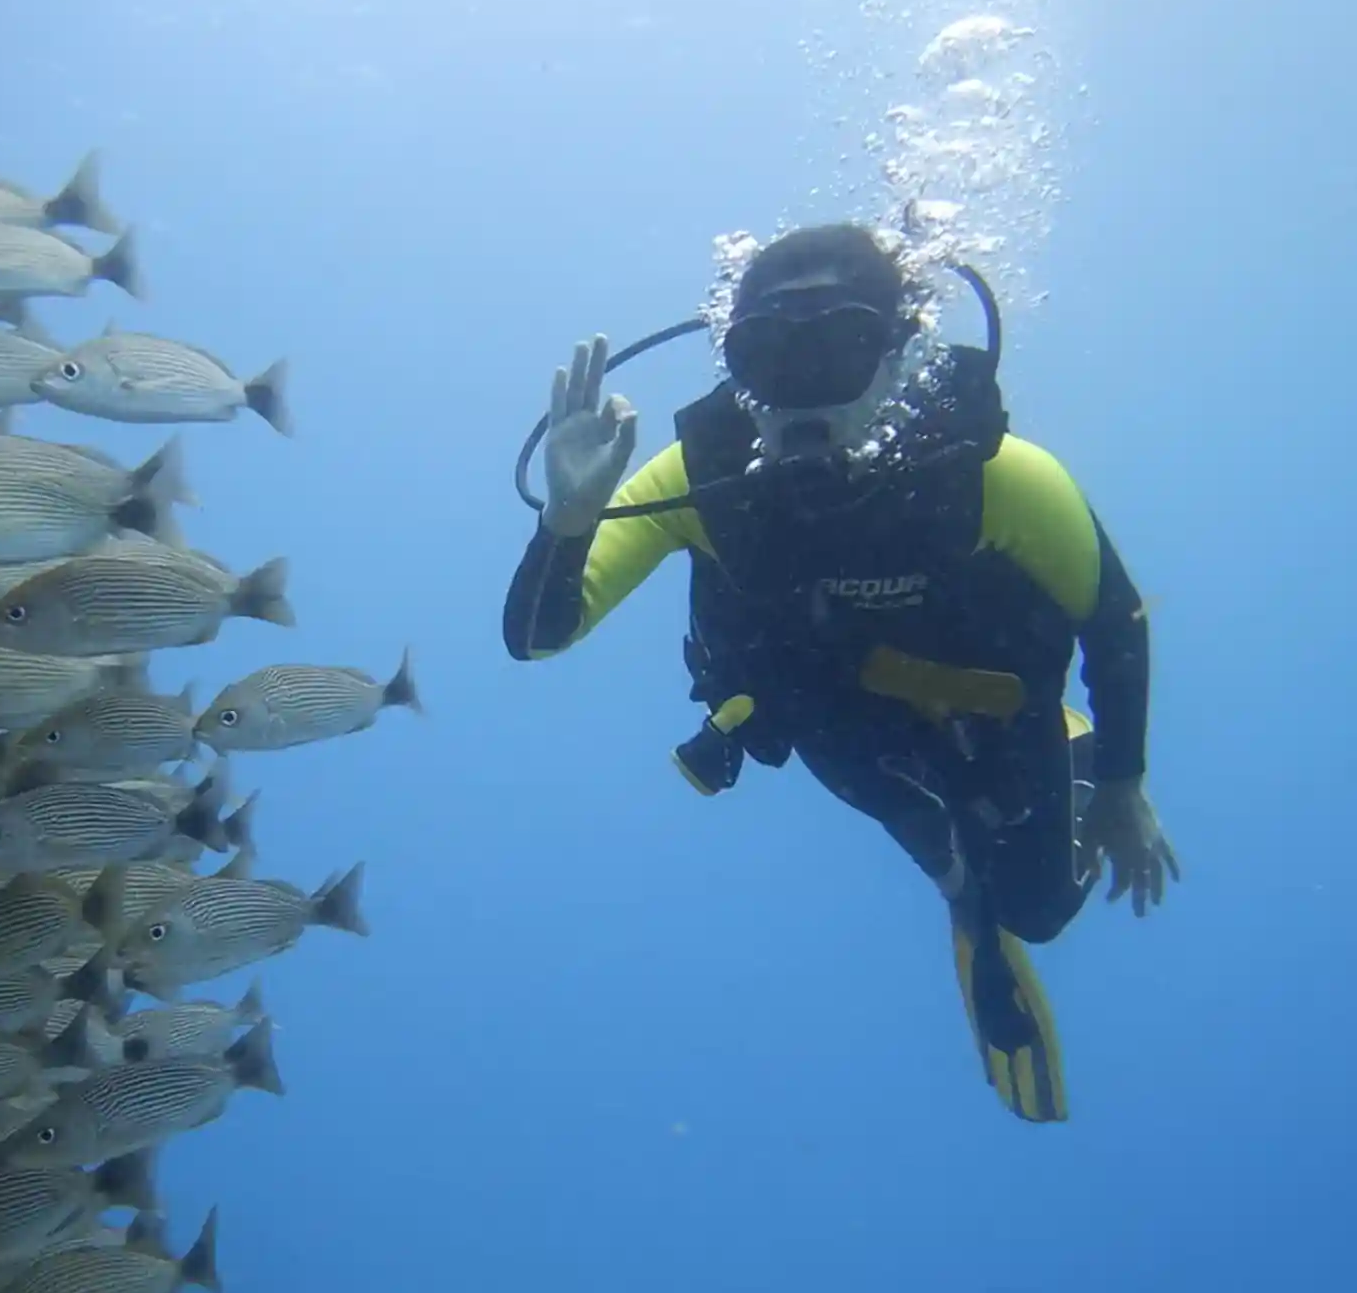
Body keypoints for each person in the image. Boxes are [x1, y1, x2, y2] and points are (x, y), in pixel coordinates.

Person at [501, 222, 1179, 1123]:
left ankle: (1063, 767)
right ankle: (955, 879)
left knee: (1044, 912)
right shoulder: (700, 480)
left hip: (998, 715)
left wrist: (1125, 783)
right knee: (949, 860)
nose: (799, 399)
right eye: (768, 362)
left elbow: (1112, 619)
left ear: (900, 357)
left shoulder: (994, 479)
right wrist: (568, 521)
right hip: (830, 722)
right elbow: (541, 636)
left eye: (840, 353)